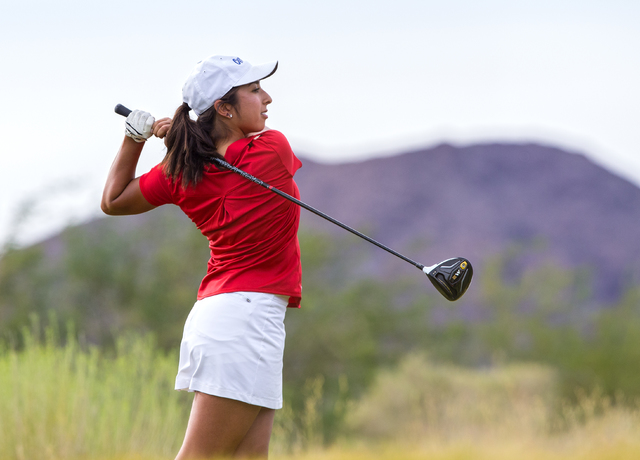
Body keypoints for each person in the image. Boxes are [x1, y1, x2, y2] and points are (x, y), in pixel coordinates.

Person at [101, 55, 303, 459]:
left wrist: (135, 138)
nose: (267, 97)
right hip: (244, 319)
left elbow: (114, 199)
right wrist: (181, 137)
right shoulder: (272, 147)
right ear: (225, 108)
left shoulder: (180, 169)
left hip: (234, 316)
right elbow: (232, 156)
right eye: (254, 90)